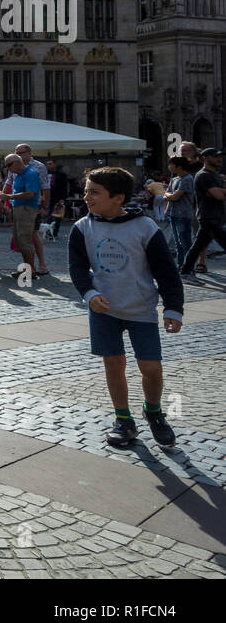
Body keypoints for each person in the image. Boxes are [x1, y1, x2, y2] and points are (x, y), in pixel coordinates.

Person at [68, 167, 183, 448]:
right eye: (86, 191)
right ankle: (123, 419)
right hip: (103, 310)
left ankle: (153, 412)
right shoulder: (82, 227)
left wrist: (173, 308)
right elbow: (78, 268)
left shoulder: (144, 227)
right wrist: (89, 293)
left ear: (118, 198)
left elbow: (166, 271)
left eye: (94, 192)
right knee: (113, 363)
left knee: (151, 366)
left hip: (140, 309)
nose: (87, 197)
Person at [179, 147, 226, 278]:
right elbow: (219, 195)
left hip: (215, 216)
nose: (219, 159)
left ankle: (185, 271)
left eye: (220, 156)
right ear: (204, 158)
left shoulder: (215, 175)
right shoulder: (203, 175)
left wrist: (220, 190)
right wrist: (220, 191)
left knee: (198, 246)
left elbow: (219, 192)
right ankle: (185, 271)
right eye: (215, 156)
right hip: (208, 217)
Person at [0, 154, 41, 276]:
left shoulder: (30, 174)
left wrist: (9, 196)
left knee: (24, 240)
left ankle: (30, 271)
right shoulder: (19, 175)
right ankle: (29, 269)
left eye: (8, 165)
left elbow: (30, 193)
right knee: (20, 240)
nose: (7, 169)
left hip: (26, 209)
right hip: (20, 208)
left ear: (16, 162)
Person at [14, 144, 51, 268]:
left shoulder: (39, 166)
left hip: (33, 205)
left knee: (33, 233)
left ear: (29, 153)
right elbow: (9, 182)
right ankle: (30, 266)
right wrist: (4, 202)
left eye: (20, 153)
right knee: (23, 236)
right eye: (16, 153)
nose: (18, 155)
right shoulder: (14, 165)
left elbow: (45, 187)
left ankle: (40, 264)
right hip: (18, 205)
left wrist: (45, 206)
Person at [162, 156, 195, 274]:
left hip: (183, 214)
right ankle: (180, 266)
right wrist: (169, 196)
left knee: (185, 242)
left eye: (171, 164)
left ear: (179, 166)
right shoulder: (175, 179)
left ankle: (189, 268)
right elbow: (165, 194)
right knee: (177, 243)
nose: (169, 167)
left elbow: (175, 196)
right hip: (172, 214)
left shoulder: (187, 178)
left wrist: (169, 196)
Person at [45, 159, 69, 237]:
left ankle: (55, 233)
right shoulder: (45, 174)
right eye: (47, 164)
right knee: (49, 216)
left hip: (59, 198)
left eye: (50, 163)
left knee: (57, 217)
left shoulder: (62, 175)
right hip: (49, 198)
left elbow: (65, 188)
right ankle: (48, 233)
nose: (48, 165)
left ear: (55, 164)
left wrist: (63, 198)